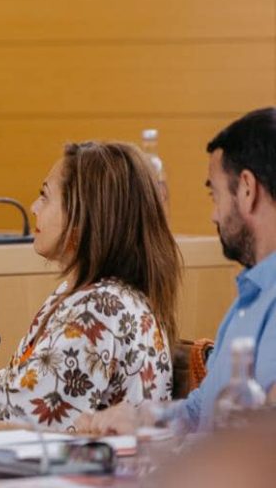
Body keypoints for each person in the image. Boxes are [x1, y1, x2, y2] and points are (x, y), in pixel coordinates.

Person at [78, 108, 276, 434]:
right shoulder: (248, 300)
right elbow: (202, 411)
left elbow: (254, 437)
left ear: (246, 189)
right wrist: (143, 419)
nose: (213, 215)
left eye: (215, 194)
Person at [0, 141, 180, 431]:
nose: (34, 208)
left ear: (83, 216)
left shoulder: (101, 310)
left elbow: (21, 419)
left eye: (45, 197)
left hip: (88, 471)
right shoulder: (85, 294)